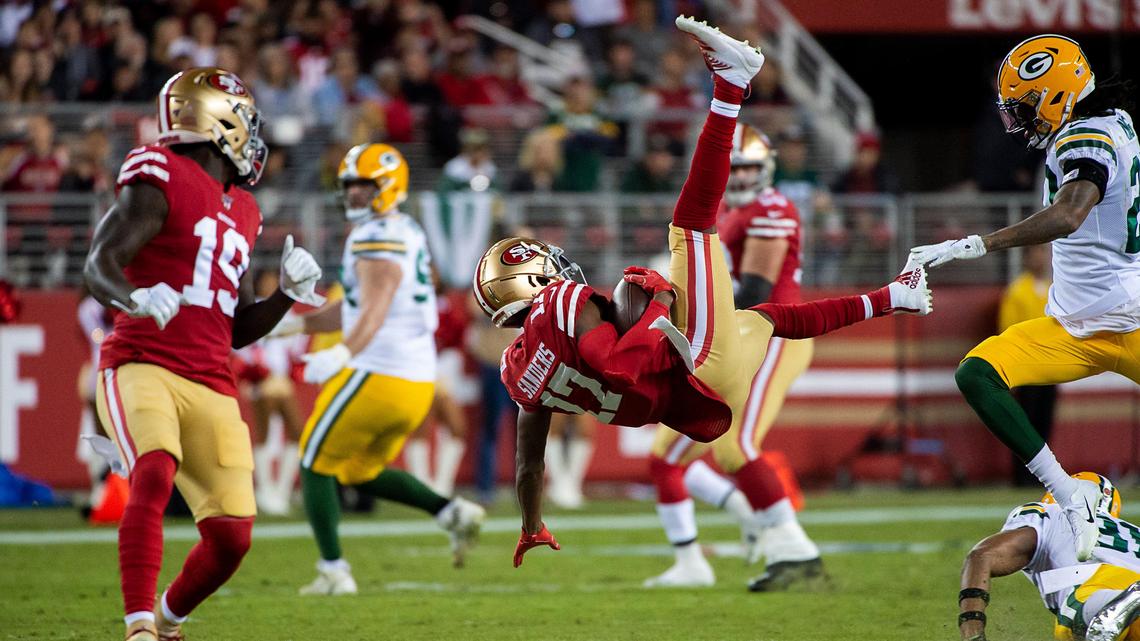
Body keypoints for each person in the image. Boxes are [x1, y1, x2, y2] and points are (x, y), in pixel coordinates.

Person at [473, 17, 933, 567]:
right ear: (534, 280)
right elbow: (616, 364)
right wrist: (661, 305)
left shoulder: (519, 373)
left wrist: (530, 524)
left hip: (697, 393)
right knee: (688, 228)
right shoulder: (560, 302)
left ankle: (893, 297)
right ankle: (731, 86)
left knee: (768, 318)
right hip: (693, 358)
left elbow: (529, 465)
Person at [83, 67, 324, 641]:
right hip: (142, 362)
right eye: (244, 120)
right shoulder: (158, 171)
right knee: (154, 468)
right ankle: (139, 626)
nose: (251, 134)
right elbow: (100, 264)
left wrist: (285, 297)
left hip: (213, 379)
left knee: (233, 535)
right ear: (214, 119)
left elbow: (238, 328)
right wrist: (134, 296)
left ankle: (168, 620)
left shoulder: (244, 208)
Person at [910, 35, 1140, 564]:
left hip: (1123, 318)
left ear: (1057, 94)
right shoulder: (1111, 121)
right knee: (977, 372)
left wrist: (978, 243)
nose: (1018, 121)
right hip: (1075, 325)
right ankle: (1069, 495)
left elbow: (1068, 214)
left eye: (1024, 107)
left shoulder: (1082, 137)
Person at [273, 143, 485, 595]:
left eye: (363, 186)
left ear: (387, 187)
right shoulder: (404, 228)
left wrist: (342, 353)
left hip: (378, 372)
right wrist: (291, 325)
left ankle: (333, 572)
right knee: (358, 472)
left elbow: (375, 306)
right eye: (349, 185)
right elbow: (355, 308)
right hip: (415, 384)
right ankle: (449, 512)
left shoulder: (377, 235)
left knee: (313, 460)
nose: (352, 194)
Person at [645, 124, 821, 591]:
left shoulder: (773, 209)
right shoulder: (724, 210)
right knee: (666, 454)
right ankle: (693, 561)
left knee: (735, 445)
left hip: (772, 332)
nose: (741, 177)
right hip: (735, 336)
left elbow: (756, 290)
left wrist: (681, 301)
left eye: (749, 167)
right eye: (734, 167)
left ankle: (794, 547)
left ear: (767, 167)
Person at [959, 472, 1140, 641]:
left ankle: (1113, 604)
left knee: (1070, 627)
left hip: (1103, 583)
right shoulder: (1132, 533)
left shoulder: (1052, 513)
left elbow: (982, 555)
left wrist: (972, 625)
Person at [997, 244, 1057, 487]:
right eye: (1036, 253)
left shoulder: (1054, 289)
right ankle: (1021, 476)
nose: (1041, 258)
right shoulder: (1017, 291)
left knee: (1044, 421)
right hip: (1026, 369)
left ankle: (1043, 475)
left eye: (1044, 252)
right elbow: (1007, 331)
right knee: (1024, 423)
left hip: (1050, 366)